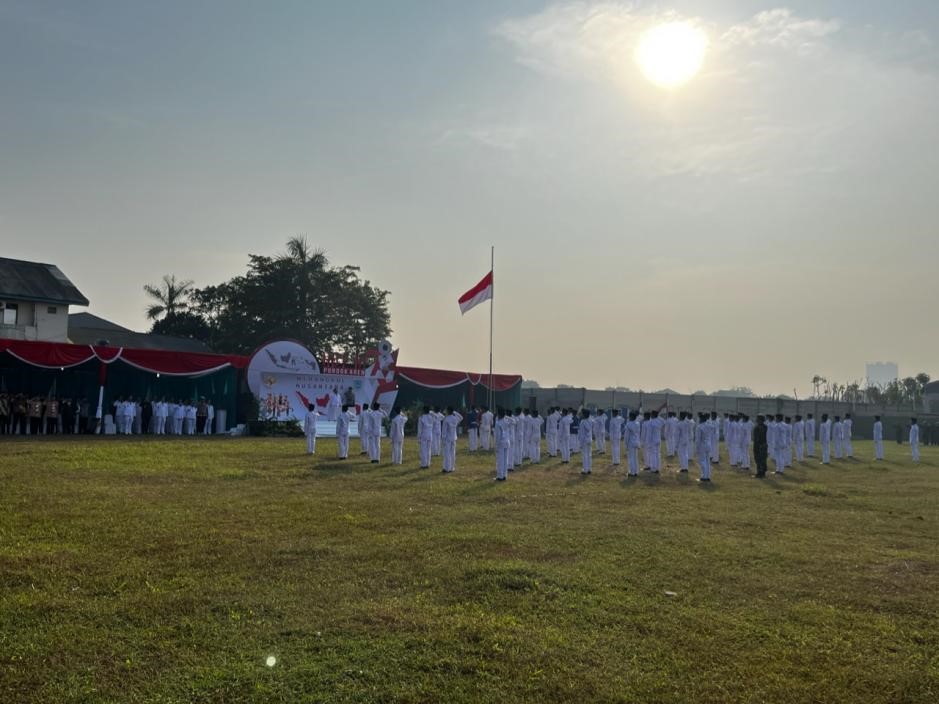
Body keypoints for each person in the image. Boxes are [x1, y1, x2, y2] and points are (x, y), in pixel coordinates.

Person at [441, 406, 463, 473]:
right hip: (454, 438)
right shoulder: (455, 418)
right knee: (452, 453)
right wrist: (455, 412)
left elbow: (444, 431)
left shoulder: (446, 419)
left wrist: (443, 440)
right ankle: (452, 467)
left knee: (447, 453)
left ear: (448, 411)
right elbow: (461, 418)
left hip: (447, 438)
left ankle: (447, 468)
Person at [494, 408, 510, 481]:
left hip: (501, 443)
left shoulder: (498, 423)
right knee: (505, 459)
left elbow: (498, 436)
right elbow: (513, 421)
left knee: (500, 460)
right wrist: (506, 416)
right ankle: (504, 475)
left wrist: (496, 445)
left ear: (499, 415)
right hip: (507, 441)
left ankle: (500, 476)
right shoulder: (506, 421)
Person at [695, 413, 712, 482]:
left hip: (702, 445)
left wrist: (697, 448)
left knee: (702, 461)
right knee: (707, 461)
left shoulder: (699, 427)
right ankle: (707, 476)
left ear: (701, 419)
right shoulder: (709, 425)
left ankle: (703, 477)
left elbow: (698, 439)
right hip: (708, 444)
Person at [625, 411, 641, 477]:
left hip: (631, 443)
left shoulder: (628, 424)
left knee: (631, 458)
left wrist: (626, 444)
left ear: (631, 417)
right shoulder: (638, 423)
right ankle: (636, 471)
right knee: (635, 458)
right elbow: (638, 434)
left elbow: (626, 436)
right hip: (636, 442)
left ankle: (632, 472)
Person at [578, 408, 593, 475]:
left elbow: (582, 433)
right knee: (589, 455)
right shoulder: (590, 420)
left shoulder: (583, 422)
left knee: (584, 455)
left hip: (584, 440)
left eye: (581, 413)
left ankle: (585, 470)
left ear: (584, 414)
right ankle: (589, 469)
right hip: (589, 439)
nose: (580, 414)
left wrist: (580, 443)